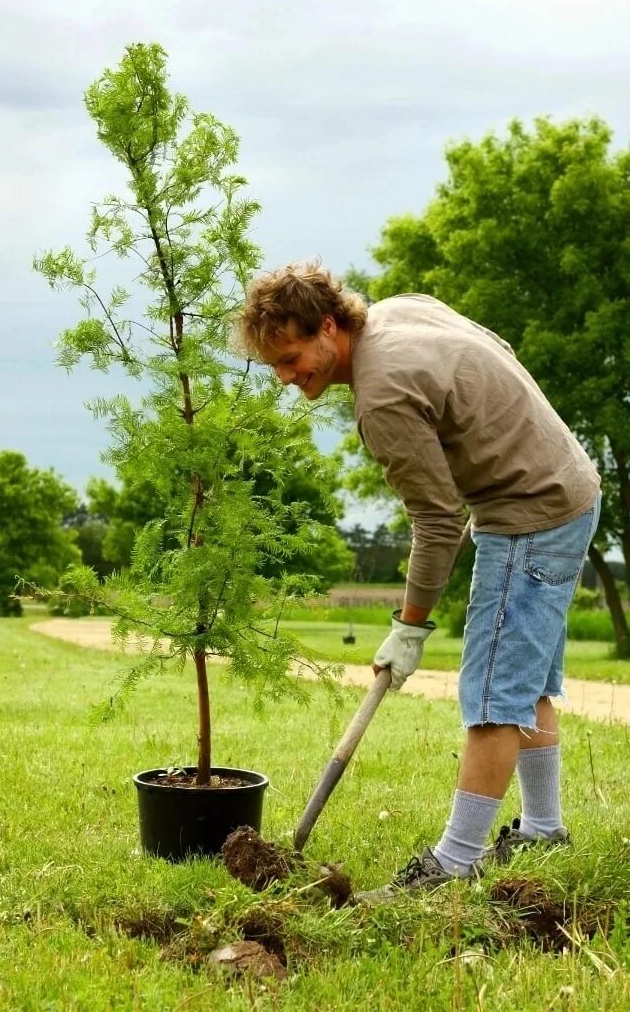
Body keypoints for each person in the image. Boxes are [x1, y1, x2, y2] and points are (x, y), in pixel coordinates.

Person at [236, 261, 601, 900]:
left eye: (292, 359)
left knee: (492, 693)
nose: (289, 379)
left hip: (529, 511)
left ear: (328, 326)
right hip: (568, 486)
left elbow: (435, 520)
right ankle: (544, 830)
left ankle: (452, 864)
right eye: (275, 368)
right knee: (527, 676)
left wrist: (410, 626)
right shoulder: (398, 311)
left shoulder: (380, 397)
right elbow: (498, 351)